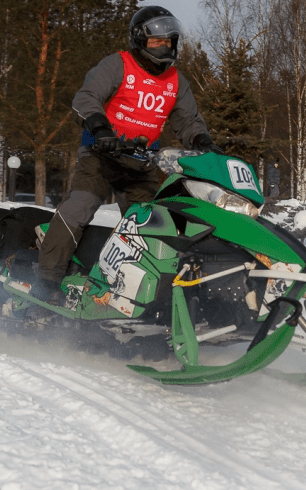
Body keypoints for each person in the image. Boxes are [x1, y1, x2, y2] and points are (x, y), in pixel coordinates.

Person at [35, 6, 222, 290]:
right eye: (156, 42)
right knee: (81, 206)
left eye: (169, 42)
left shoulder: (175, 81)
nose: (164, 48)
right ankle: (46, 281)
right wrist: (100, 129)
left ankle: (141, 291)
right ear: (139, 40)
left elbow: (189, 122)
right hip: (100, 155)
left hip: (142, 163)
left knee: (153, 225)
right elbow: (86, 98)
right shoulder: (118, 64)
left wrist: (203, 143)